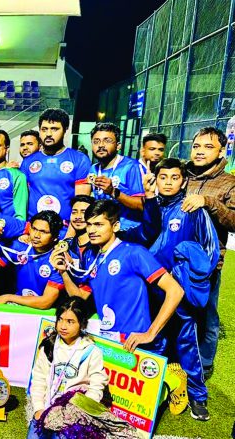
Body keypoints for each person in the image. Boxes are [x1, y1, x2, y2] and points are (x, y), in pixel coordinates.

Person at [50, 200, 184, 355]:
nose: (91, 230)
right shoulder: (93, 258)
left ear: (115, 226)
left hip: (137, 345)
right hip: (109, 344)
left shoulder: (134, 253)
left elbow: (175, 291)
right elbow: (80, 298)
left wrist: (151, 333)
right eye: (89, 224)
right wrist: (63, 273)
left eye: (99, 224)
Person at [148, 158, 219, 421]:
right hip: (149, 289)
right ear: (155, 179)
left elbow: (210, 251)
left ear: (184, 180)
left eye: (174, 177)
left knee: (186, 343)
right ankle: (149, 392)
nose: (168, 182)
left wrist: (186, 278)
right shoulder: (147, 207)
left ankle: (198, 395)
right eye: (163, 177)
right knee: (153, 340)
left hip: (179, 291)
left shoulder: (192, 209)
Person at [182, 127, 235, 380]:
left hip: (207, 263)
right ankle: (175, 358)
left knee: (206, 316)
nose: (200, 151)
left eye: (208, 147)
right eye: (196, 146)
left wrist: (209, 202)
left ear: (221, 151)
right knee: (175, 310)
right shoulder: (182, 175)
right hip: (175, 258)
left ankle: (204, 365)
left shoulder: (229, 182)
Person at [28, 298, 111, 439]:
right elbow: (38, 379)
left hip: (74, 416)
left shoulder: (92, 351)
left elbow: (97, 386)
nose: (63, 326)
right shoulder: (49, 346)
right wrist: (38, 408)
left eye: (70, 322)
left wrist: (80, 412)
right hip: (47, 408)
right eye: (60, 320)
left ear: (82, 324)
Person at [0, 211, 65, 310]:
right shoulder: (20, 247)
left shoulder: (57, 260)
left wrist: (8, 297)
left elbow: (45, 303)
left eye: (43, 232)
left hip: (44, 313)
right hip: (19, 307)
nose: (36, 235)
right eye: (34, 229)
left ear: (55, 237)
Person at [22, 108, 91, 223]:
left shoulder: (80, 160)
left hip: (65, 228)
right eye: (44, 129)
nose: (48, 134)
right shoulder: (28, 162)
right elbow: (22, 200)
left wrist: (71, 231)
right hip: (35, 228)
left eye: (54, 129)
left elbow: (81, 204)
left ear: (65, 129)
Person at [87, 122, 145, 231]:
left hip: (128, 231)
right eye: (96, 141)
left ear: (118, 146)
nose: (101, 145)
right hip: (104, 232)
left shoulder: (131, 167)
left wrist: (113, 191)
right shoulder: (93, 169)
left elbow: (142, 205)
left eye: (107, 141)